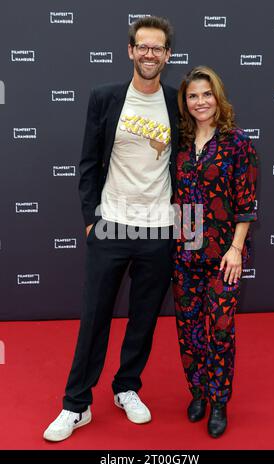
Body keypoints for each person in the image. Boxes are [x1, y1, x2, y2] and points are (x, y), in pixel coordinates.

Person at [43, 16, 178, 442]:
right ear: (130, 51)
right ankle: (76, 404)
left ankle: (127, 388)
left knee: (143, 318)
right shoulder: (105, 98)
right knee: (94, 318)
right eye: (143, 47)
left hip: (160, 228)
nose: (150, 54)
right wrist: (90, 220)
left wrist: (187, 229)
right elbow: (87, 163)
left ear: (168, 55)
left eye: (158, 48)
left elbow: (191, 168)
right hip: (111, 224)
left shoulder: (178, 102)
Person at [173, 66, 258, 438]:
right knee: (189, 330)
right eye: (193, 96)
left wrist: (236, 249)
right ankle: (198, 392)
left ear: (217, 97)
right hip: (186, 250)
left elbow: (247, 202)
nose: (200, 101)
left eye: (206, 94)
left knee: (220, 329)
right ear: (185, 102)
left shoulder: (237, 141)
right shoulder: (180, 142)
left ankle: (220, 401)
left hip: (225, 253)